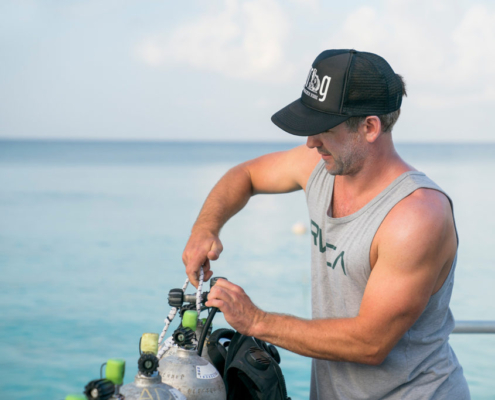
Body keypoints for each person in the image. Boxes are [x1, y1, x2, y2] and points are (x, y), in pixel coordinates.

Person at [182, 49, 470, 399]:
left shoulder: (416, 216)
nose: (309, 142)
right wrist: (205, 229)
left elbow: (370, 343)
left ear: (369, 127)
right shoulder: (320, 166)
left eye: (322, 129)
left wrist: (256, 320)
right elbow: (246, 175)